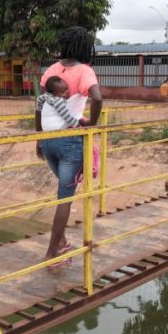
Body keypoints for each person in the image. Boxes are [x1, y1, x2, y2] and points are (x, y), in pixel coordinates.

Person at [36, 27, 103, 265]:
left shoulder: (52, 70)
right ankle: (52, 252)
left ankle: (61, 242)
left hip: (49, 140)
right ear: (84, 47)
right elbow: (97, 98)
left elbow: (41, 105)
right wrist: (92, 124)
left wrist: (39, 139)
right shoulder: (84, 71)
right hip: (70, 142)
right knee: (65, 197)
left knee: (63, 192)